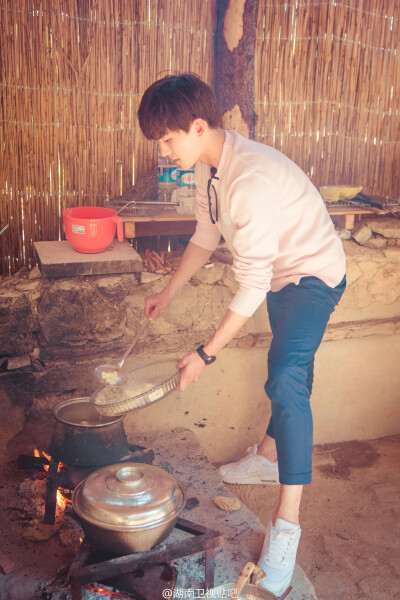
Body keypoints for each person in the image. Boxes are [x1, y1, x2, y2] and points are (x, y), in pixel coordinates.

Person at [138, 73, 346, 596]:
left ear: (198, 125)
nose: (163, 151)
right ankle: (267, 459)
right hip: (281, 275)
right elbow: (206, 239)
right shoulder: (210, 167)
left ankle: (286, 529)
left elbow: (251, 282)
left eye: (167, 139)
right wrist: (169, 291)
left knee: (287, 378)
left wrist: (203, 355)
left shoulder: (247, 178)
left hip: (312, 276)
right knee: (289, 371)